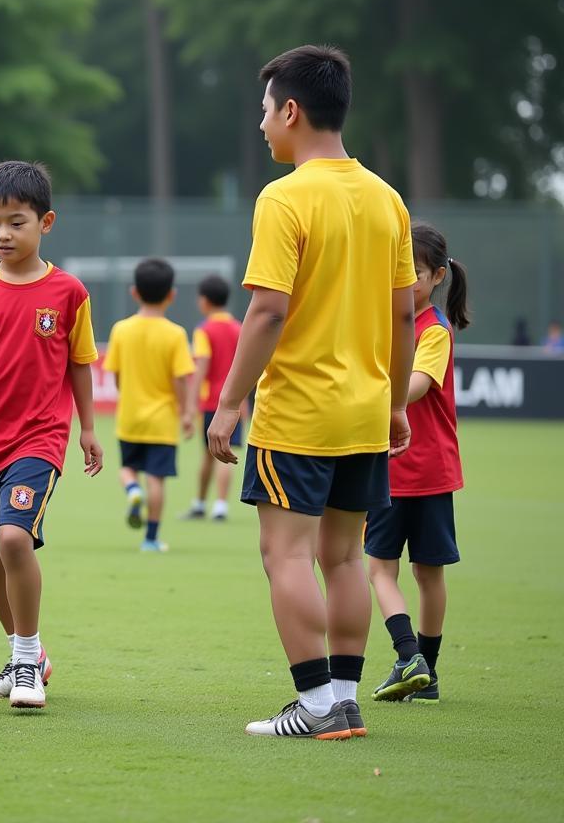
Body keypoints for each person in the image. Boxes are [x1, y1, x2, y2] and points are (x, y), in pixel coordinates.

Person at [207, 44, 416, 740]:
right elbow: (404, 314)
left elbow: (267, 311)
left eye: (264, 112)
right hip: (363, 411)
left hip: (298, 412)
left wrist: (230, 404)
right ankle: (345, 700)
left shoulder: (285, 197)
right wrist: (391, 403)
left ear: (291, 110)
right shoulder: (387, 199)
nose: (261, 124)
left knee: (286, 555)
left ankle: (318, 705)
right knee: (346, 556)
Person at [0, 160, 103, 710]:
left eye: (16, 222)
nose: (2, 234)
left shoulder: (68, 292)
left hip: (39, 439)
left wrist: (88, 428)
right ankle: (21, 656)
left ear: (46, 222)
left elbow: (80, 364)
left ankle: (30, 662)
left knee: (14, 537)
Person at [366, 223, 470, 705]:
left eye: (418, 273)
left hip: (424, 469)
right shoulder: (383, 324)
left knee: (424, 574)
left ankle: (421, 663)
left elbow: (419, 385)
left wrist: (364, 397)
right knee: (381, 570)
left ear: (438, 277)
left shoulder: (434, 330)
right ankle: (415, 661)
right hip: (389, 469)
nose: (407, 281)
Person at [104, 258, 195, 551]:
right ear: (172, 295)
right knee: (157, 479)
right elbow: (181, 379)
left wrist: (127, 393)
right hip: (162, 421)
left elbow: (116, 375)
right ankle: (151, 539)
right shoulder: (176, 334)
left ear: (134, 292)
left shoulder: (120, 330)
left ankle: (132, 490)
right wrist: (186, 412)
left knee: (128, 468)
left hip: (129, 417)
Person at [181, 274, 244, 522]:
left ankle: (201, 502)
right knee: (226, 454)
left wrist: (189, 406)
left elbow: (201, 369)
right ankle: (219, 505)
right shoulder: (240, 329)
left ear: (204, 301)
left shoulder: (204, 331)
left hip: (212, 404)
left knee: (209, 454)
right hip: (236, 402)